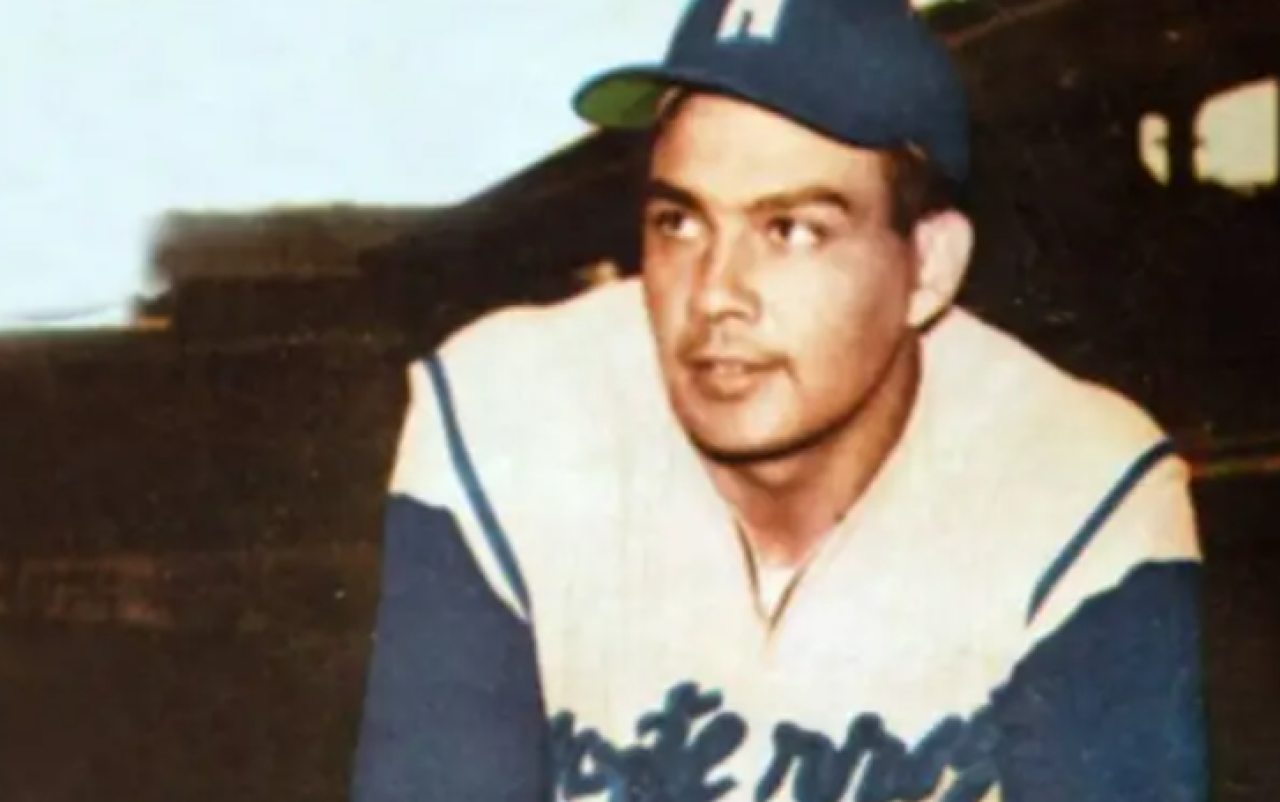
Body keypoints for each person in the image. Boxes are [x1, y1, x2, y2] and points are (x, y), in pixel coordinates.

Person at [349, 0, 1208, 800]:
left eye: (791, 229)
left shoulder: (1080, 486)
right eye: (680, 222)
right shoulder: (508, 412)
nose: (715, 293)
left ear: (928, 268)